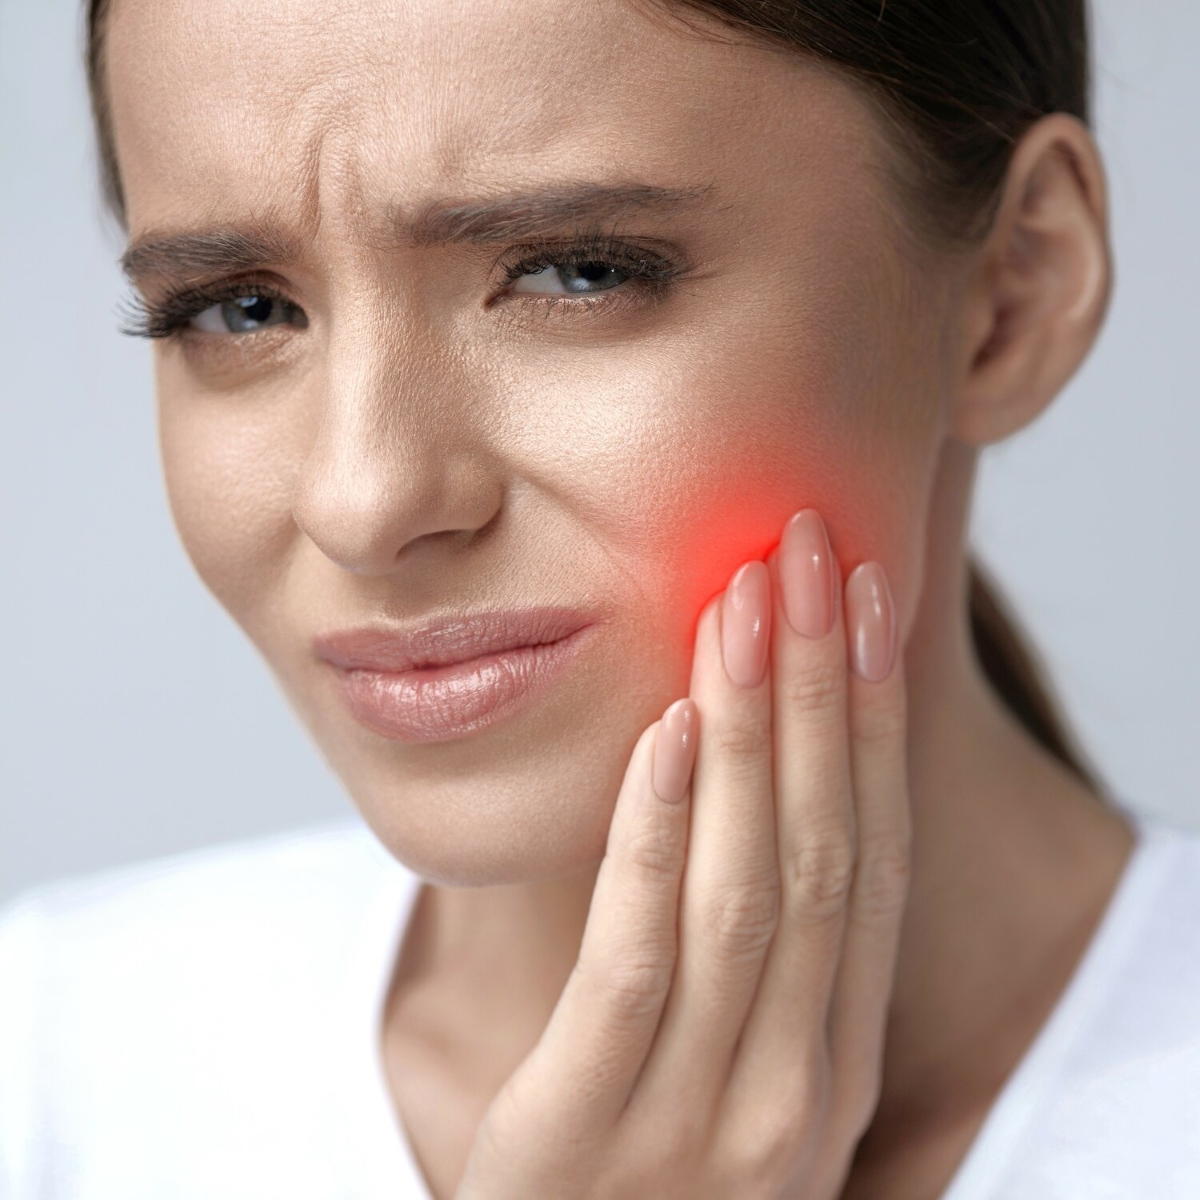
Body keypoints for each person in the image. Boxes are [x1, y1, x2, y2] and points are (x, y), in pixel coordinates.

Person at [1, 0, 1198, 1196]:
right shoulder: (47, 1073)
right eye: (241, 308)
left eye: (576, 272)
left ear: (1015, 290)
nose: (362, 503)